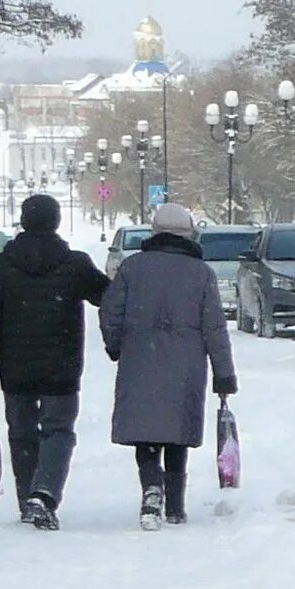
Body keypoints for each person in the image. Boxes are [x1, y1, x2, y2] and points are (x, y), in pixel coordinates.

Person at [0, 192, 110, 529]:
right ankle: (44, 493)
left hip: (14, 367)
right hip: (61, 367)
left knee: (21, 433)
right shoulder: (74, 264)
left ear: (23, 221)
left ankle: (26, 499)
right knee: (58, 431)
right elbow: (108, 296)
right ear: (57, 221)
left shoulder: (1, 266)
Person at [100, 201, 236, 529]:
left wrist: (116, 346)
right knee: (177, 433)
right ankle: (175, 505)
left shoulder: (133, 267)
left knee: (145, 431)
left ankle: (151, 488)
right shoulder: (200, 273)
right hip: (186, 364)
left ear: (155, 232)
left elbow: (110, 312)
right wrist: (224, 372)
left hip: (140, 359)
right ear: (189, 234)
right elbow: (214, 327)